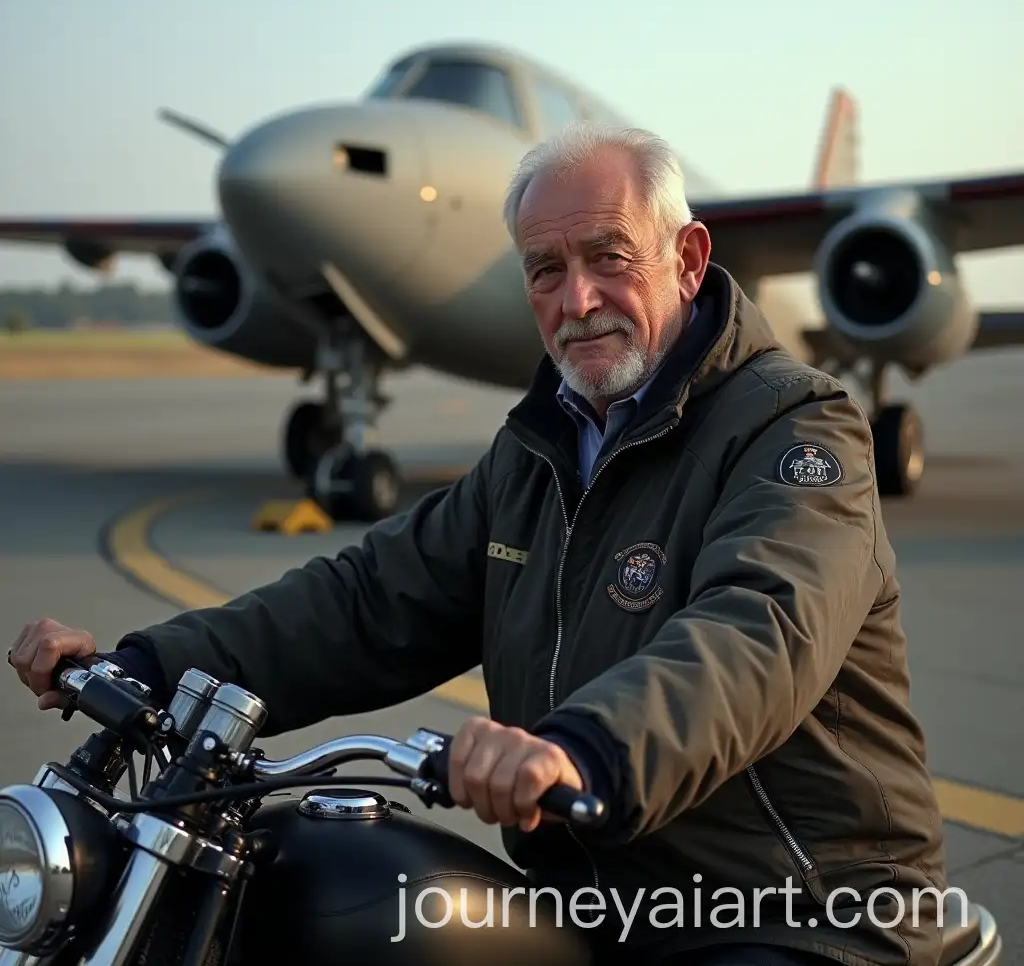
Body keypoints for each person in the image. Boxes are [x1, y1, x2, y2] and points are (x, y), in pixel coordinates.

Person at [10, 123, 947, 965]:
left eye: (608, 257)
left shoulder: (796, 432)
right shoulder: (539, 450)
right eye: (545, 269)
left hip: (795, 907)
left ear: (689, 259)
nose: (578, 299)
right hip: (597, 903)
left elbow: (758, 632)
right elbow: (368, 601)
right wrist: (148, 667)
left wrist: (584, 749)